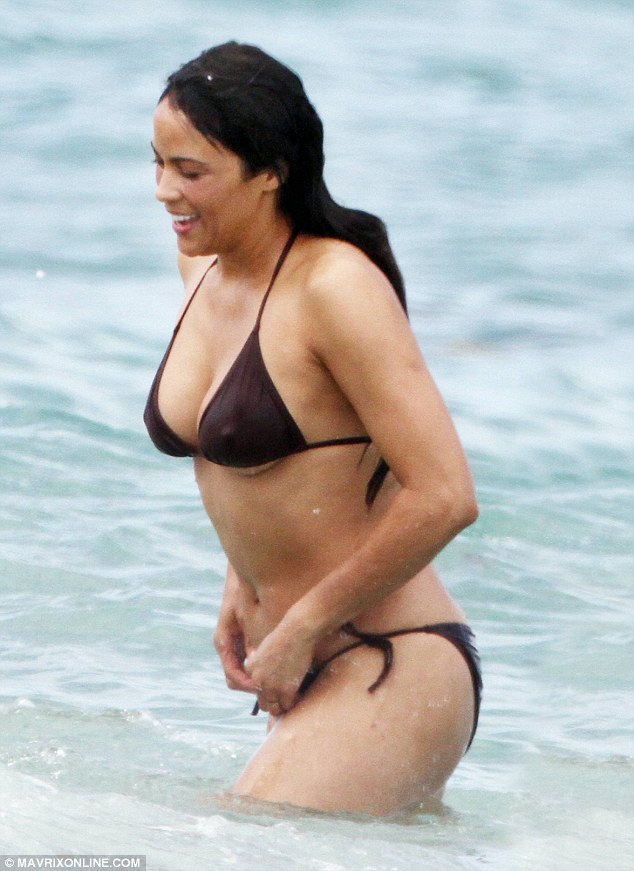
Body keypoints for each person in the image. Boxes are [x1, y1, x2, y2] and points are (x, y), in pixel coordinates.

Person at [144, 41, 481, 817]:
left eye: (191, 170)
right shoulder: (202, 270)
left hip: (392, 658)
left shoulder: (336, 287)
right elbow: (254, 467)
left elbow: (446, 496)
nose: (164, 191)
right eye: (157, 163)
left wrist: (301, 626)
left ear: (270, 171)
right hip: (300, 664)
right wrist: (241, 582)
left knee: (237, 842)